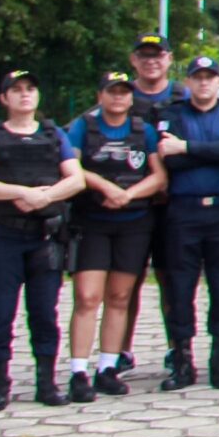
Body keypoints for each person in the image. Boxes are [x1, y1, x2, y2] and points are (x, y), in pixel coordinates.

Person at [0, 70, 81, 412]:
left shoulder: (53, 134)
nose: (24, 95)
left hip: (44, 236)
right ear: (4, 98)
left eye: (30, 89)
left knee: (45, 312)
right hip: (2, 234)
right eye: (16, 90)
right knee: (0, 311)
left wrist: (44, 199)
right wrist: (21, 192)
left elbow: (75, 179)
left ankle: (46, 383)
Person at [62, 71, 164, 400]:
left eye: (124, 92)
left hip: (133, 221)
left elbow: (159, 176)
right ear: (100, 95)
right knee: (88, 297)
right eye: (111, 92)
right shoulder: (84, 127)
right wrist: (104, 186)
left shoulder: (142, 130)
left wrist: (129, 195)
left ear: (132, 97)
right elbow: (72, 167)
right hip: (93, 220)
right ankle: (78, 370)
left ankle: (108, 366)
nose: (118, 98)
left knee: (120, 298)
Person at [153, 55, 219, 389]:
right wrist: (206, 151)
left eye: (210, 77)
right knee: (180, 289)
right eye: (198, 77)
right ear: (189, 82)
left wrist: (188, 147)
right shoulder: (172, 115)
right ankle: (182, 362)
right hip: (184, 212)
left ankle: (218, 361)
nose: (204, 82)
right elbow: (170, 160)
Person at [126, 32, 180, 382]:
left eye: (157, 55)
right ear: (134, 60)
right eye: (144, 55)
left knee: (170, 279)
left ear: (169, 59)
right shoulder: (119, 95)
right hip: (128, 202)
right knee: (125, 282)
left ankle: (177, 347)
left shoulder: (182, 97)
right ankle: (119, 351)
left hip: (172, 203)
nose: (151, 61)